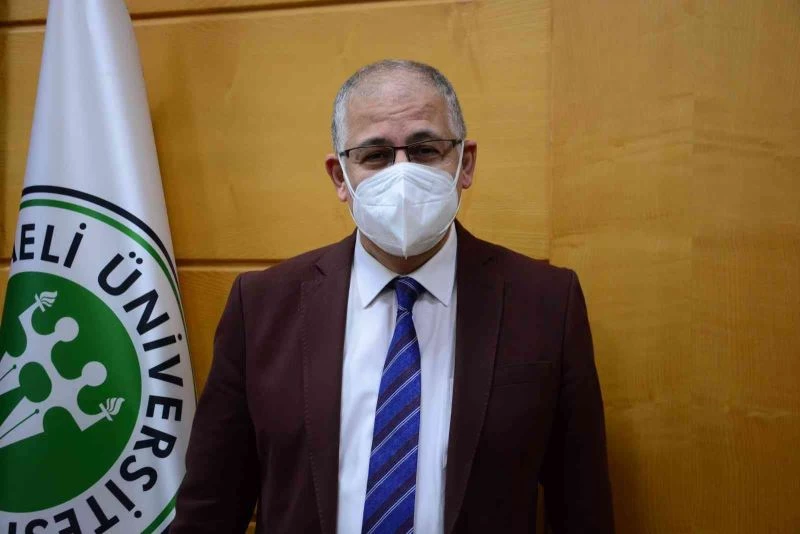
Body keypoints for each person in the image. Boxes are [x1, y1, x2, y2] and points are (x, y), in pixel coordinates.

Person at [172, 60, 614, 534]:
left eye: (425, 150)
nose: (402, 174)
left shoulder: (546, 304)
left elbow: (581, 510)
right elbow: (210, 510)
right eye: (376, 155)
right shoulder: (262, 307)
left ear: (464, 163)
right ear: (340, 177)